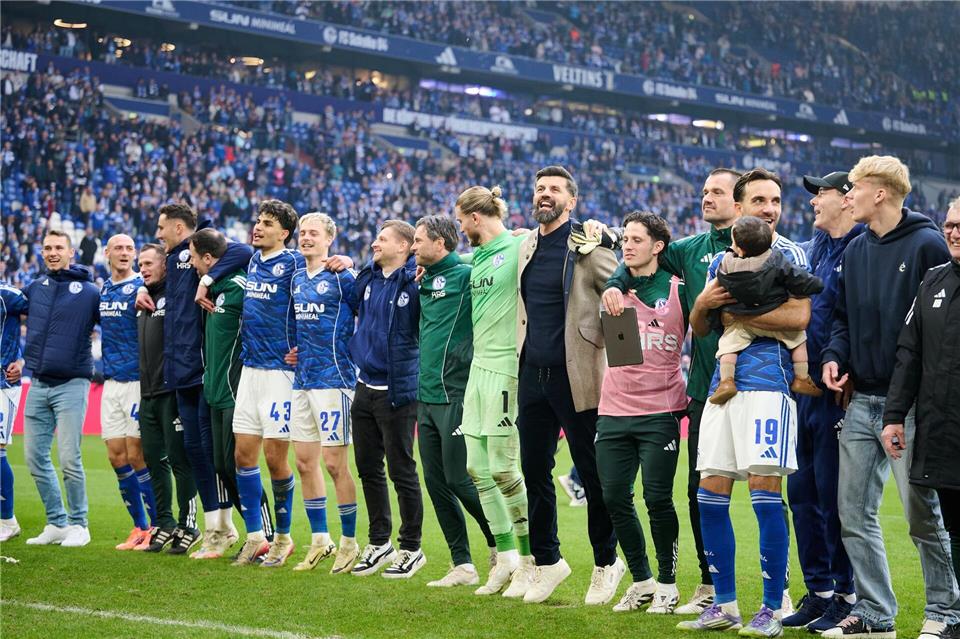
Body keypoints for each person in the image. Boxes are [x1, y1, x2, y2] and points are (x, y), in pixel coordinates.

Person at [821, 156, 958, 639]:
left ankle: (945, 612)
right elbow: (841, 317)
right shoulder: (855, 249)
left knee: (924, 515)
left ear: (879, 193)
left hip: (912, 406)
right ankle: (877, 616)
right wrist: (836, 355)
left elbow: (934, 330)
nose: (847, 196)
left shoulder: (927, 245)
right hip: (860, 402)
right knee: (853, 515)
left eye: (854, 187)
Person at [678, 169, 812, 636]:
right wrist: (702, 304)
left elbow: (800, 315)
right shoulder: (721, 260)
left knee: (764, 495)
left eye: (775, 200)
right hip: (723, 386)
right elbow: (700, 325)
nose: (770, 208)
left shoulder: (790, 254)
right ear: (740, 208)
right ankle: (726, 603)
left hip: (769, 389)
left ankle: (773, 606)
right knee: (709, 495)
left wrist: (731, 311)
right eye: (760, 200)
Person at [515, 165, 622, 605]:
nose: (545, 194)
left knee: (594, 475)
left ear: (571, 201)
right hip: (531, 374)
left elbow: (619, 296)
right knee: (534, 472)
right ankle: (548, 561)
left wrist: (626, 365)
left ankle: (606, 563)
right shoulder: (526, 245)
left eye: (554, 189)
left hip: (576, 377)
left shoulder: (588, 245)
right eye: (540, 188)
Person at [137, 203, 253, 555]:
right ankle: (217, 527)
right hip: (179, 372)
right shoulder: (174, 259)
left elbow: (243, 250)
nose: (158, 233)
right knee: (194, 452)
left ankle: (236, 527)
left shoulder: (197, 249)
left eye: (162, 227)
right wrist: (139, 292)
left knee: (212, 453)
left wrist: (206, 278)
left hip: (202, 369)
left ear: (178, 227)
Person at [656, 168, 741, 614]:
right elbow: (641, 255)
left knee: (771, 492)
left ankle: (782, 589)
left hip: (759, 388)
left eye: (717, 192)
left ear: (740, 200)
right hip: (704, 391)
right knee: (698, 491)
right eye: (704, 191)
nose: (706, 198)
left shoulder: (766, 249)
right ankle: (710, 586)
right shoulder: (687, 250)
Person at [782, 171, 861, 631]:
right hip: (803, 390)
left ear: (846, 200)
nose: (813, 201)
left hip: (836, 392)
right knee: (802, 494)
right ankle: (820, 592)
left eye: (821, 194)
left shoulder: (859, 249)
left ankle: (847, 594)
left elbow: (850, 319)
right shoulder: (813, 251)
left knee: (832, 498)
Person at [598, 212, 688, 613]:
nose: (628, 246)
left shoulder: (678, 290)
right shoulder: (612, 290)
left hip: (661, 411)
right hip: (614, 409)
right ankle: (642, 581)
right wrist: (614, 282)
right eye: (625, 240)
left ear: (658, 247)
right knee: (614, 496)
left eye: (637, 240)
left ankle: (669, 585)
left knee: (657, 498)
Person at [883, 197, 960, 639]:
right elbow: (909, 353)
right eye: (949, 225)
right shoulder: (934, 281)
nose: (952, 233)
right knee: (955, 529)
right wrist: (894, 416)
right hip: (942, 429)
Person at [453, 185, 533, 597]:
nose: (460, 226)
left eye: (461, 219)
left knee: (504, 469)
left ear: (475, 217)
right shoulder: (477, 256)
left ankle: (530, 559)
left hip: (507, 370)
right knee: (477, 469)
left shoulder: (519, 245)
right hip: (477, 371)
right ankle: (505, 560)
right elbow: (452, 261)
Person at [412, 214, 497, 587]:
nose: (414, 247)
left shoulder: (465, 273)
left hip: (457, 393)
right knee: (435, 481)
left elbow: (487, 257)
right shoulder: (423, 278)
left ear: (441, 243)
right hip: (426, 395)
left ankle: (503, 546)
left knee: (461, 479)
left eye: (419, 240)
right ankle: (461, 563)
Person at [228, 200, 303, 568]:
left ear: (284, 233)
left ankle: (284, 538)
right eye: (258, 221)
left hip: (280, 373)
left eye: (268, 223)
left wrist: (304, 345)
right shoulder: (254, 260)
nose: (258, 227)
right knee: (243, 454)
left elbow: (319, 297)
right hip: (250, 370)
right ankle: (255, 536)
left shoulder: (295, 264)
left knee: (275, 458)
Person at [349, 219, 425, 578]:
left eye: (382, 239)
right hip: (364, 385)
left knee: (402, 471)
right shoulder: (367, 278)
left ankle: (412, 547)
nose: (374, 243)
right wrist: (343, 266)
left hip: (398, 389)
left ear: (404, 246)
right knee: (367, 469)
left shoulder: (415, 280)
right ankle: (380, 543)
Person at [286, 213, 361, 573]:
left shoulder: (342, 276)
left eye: (313, 233)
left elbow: (369, 312)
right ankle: (320, 540)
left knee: (334, 464)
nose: (306, 238)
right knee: (303, 462)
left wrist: (351, 262)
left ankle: (349, 542)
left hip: (335, 381)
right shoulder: (297, 277)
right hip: (302, 379)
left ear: (330, 239)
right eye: (303, 233)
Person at [23, 230, 99, 547]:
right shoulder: (34, 289)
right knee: (34, 458)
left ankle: (79, 524)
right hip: (38, 384)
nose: (53, 252)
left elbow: (116, 326)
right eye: (48, 248)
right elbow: (10, 323)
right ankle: (56, 522)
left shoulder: (90, 292)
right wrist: (13, 359)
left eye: (59, 248)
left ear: (71, 253)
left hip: (72, 384)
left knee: (69, 458)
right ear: (42, 253)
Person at [709, 216, 823, 404]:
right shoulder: (775, 259)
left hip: (740, 318)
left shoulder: (726, 263)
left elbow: (720, 286)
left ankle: (726, 382)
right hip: (772, 314)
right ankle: (802, 378)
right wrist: (815, 285)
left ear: (739, 247)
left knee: (728, 347)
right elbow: (796, 278)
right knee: (798, 339)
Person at [135, 243, 199, 553]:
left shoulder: (176, 299)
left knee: (179, 460)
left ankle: (189, 525)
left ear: (165, 265)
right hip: (147, 394)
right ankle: (164, 521)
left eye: (148, 263)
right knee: (153, 461)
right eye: (140, 264)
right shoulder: (143, 298)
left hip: (171, 391)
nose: (143, 268)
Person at [188, 229, 246, 560]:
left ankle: (265, 533)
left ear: (209, 260)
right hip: (211, 391)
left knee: (237, 465)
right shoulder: (214, 291)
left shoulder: (238, 288)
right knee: (220, 466)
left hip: (233, 393)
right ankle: (239, 532)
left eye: (195, 258)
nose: (192, 264)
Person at [99, 234, 158, 550]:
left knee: (138, 455)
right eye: (118, 248)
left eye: (129, 249)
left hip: (137, 382)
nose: (124, 253)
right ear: (107, 253)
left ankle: (156, 527)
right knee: (115, 456)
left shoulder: (142, 287)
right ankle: (139, 526)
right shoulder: (103, 289)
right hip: (110, 383)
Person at [0, 280, 28, 542]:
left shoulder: (9, 295)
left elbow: (45, 322)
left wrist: (23, 360)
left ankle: (8, 520)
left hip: (2, 383)